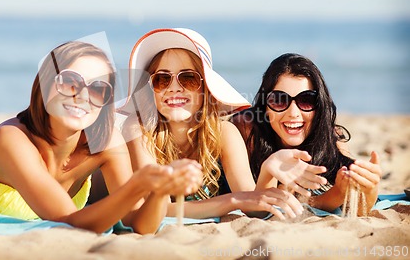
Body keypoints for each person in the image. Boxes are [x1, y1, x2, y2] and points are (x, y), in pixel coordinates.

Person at [0, 41, 203, 235]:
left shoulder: (106, 144)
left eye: (98, 89)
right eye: (69, 82)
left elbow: (139, 225)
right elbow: (69, 222)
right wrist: (139, 184)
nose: (82, 96)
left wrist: (160, 188)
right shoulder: (9, 138)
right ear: (46, 83)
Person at [121, 28, 310, 220]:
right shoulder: (138, 128)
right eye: (162, 79)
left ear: (207, 87)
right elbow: (154, 210)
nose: (174, 88)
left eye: (188, 78)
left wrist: (268, 171)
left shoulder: (223, 132)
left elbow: (253, 206)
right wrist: (232, 201)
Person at [231, 53, 382, 215]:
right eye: (279, 100)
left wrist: (370, 188)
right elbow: (252, 207)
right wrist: (333, 197)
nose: (293, 113)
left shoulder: (328, 136)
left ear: (320, 106)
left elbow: (360, 209)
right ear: (265, 106)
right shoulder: (244, 129)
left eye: (306, 100)